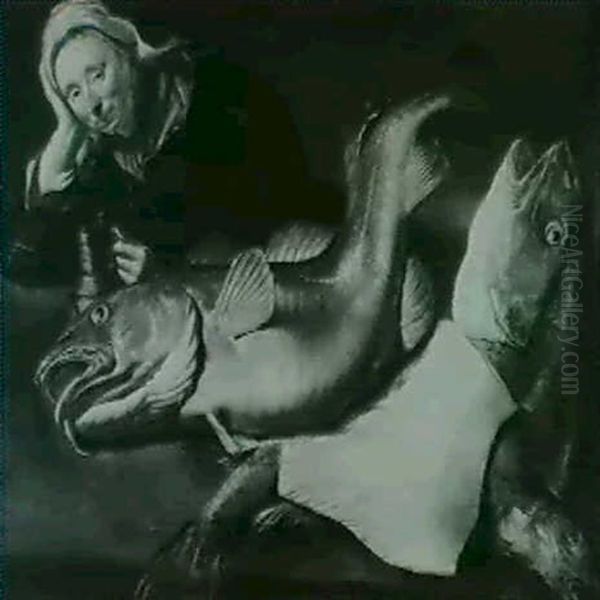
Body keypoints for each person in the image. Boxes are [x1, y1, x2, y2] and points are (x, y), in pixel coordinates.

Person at [17, 0, 312, 294]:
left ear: (128, 54)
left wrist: (166, 273)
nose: (92, 104)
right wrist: (66, 132)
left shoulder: (215, 94)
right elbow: (27, 268)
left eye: (97, 74)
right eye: (74, 93)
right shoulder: (102, 161)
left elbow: (265, 227)